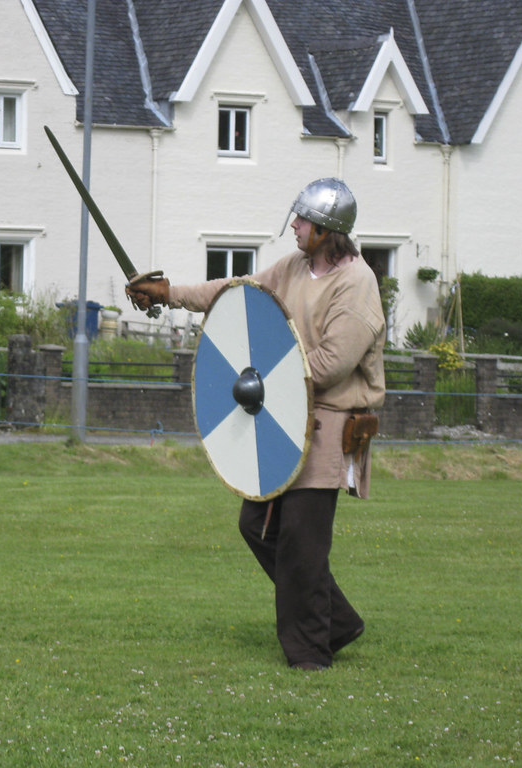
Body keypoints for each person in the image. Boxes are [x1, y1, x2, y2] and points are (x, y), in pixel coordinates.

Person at [126, 178, 385, 670]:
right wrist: (170, 292)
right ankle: (339, 622)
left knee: (302, 544)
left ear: (327, 229)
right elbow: (236, 293)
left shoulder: (357, 284)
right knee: (257, 526)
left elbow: (331, 364)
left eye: (303, 220)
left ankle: (310, 653)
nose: (294, 225)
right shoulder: (293, 267)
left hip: (327, 424)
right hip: (279, 417)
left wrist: (264, 370)